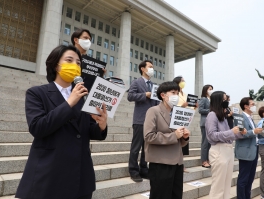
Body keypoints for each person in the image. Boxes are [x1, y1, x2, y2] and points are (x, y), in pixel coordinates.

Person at [15, 45, 108, 199]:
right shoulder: (37, 93)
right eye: (69, 60)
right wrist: (69, 103)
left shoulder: (83, 97)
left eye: (78, 63)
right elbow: (38, 127)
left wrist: (101, 125)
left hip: (80, 175)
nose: (75, 65)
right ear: (56, 65)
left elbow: (88, 130)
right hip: (50, 174)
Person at [144, 81, 190, 199]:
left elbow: (180, 140)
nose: (176, 96)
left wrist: (185, 137)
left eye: (177, 93)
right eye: (173, 92)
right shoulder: (153, 111)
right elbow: (149, 136)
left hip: (177, 163)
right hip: (161, 163)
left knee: (176, 195)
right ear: (163, 95)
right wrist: (174, 135)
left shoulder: (178, 112)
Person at [205, 91, 246, 199]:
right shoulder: (212, 115)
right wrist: (232, 132)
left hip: (228, 150)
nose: (226, 101)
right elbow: (211, 135)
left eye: (226, 99)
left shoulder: (222, 116)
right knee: (218, 186)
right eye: (224, 99)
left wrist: (240, 133)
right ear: (218, 100)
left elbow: (229, 134)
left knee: (226, 185)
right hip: (219, 150)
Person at [127, 60, 158, 182]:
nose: (152, 69)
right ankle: (133, 170)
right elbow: (130, 96)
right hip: (140, 120)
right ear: (143, 69)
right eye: (150, 67)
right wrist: (145, 95)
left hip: (151, 121)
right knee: (136, 147)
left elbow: (156, 102)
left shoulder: (154, 85)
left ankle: (144, 169)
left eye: (152, 67)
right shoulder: (136, 82)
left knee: (147, 147)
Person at [235, 97, 263, 199]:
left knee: (250, 178)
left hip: (254, 150)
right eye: (252, 104)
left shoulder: (251, 118)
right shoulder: (240, 117)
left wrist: (262, 133)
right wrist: (254, 132)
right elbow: (241, 134)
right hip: (245, 151)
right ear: (246, 106)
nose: (254, 106)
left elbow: (254, 134)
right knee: (243, 179)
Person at [172, 76, 198, 157]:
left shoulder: (186, 94)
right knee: (177, 140)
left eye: (184, 80)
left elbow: (189, 108)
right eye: (182, 81)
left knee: (184, 140)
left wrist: (194, 107)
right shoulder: (173, 94)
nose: (184, 82)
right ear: (177, 82)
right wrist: (182, 106)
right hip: (176, 118)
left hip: (184, 119)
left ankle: (182, 163)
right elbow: (172, 107)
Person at [199, 84, 213, 168]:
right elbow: (200, 110)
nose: (211, 90)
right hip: (205, 123)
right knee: (205, 143)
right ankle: (204, 160)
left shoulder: (211, 100)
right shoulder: (203, 99)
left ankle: (208, 159)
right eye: (209, 89)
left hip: (211, 122)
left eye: (212, 89)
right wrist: (210, 110)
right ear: (205, 90)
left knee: (209, 143)